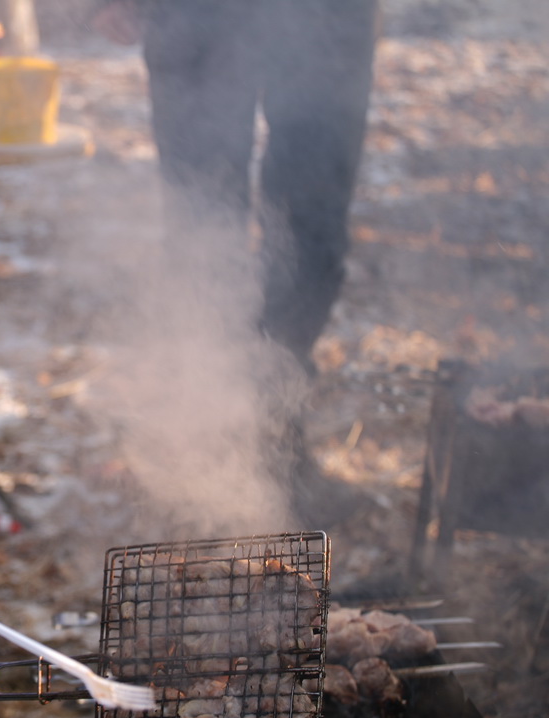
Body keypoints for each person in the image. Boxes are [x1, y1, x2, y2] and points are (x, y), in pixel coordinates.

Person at [95, 0, 379, 525]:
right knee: (202, 224)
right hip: (197, 13)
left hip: (327, 17)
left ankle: (275, 439)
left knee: (311, 237)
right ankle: (204, 442)